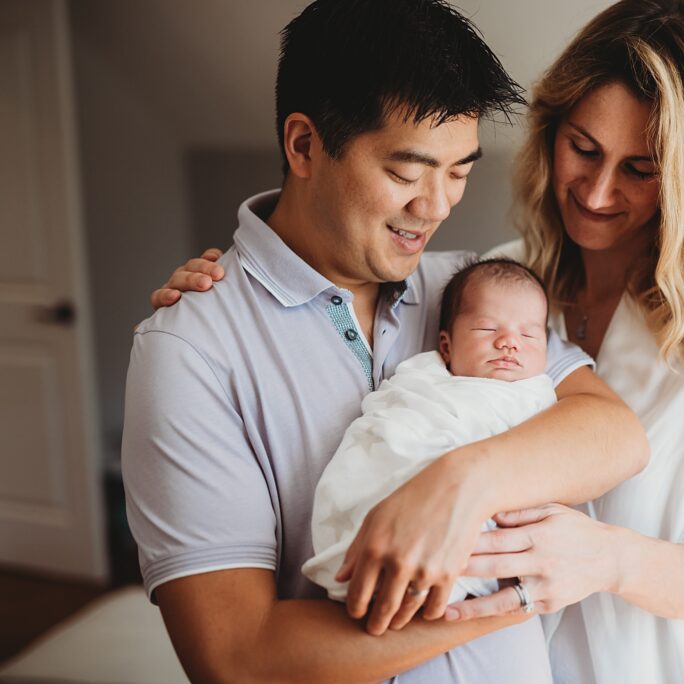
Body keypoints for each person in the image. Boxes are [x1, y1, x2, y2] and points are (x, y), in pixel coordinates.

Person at [156, 0, 684, 682]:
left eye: (641, 169)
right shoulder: (506, 285)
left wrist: (484, 495)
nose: (595, 192)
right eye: (583, 150)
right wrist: (225, 303)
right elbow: (234, 652)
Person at [122, 1, 648, 683]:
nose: (436, 205)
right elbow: (238, 657)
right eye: (406, 173)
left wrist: (461, 482)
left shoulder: (468, 290)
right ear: (304, 145)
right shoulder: (190, 350)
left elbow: (612, 432)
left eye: (459, 171)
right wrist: (517, 599)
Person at [304, 259, 556, 604]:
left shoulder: (539, 396)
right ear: (447, 346)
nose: (510, 342)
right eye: (487, 329)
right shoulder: (422, 379)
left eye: (528, 334)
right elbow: (387, 425)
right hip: (403, 484)